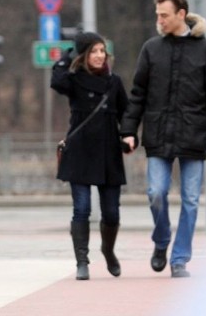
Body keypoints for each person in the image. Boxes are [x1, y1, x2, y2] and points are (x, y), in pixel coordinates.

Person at [120, 0, 206, 278]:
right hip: (158, 135)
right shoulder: (151, 49)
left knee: (190, 199)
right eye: (157, 15)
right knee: (155, 193)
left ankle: (180, 258)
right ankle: (161, 241)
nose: (159, 20)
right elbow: (138, 95)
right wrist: (128, 131)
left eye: (164, 15)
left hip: (193, 135)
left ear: (181, 15)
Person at [52, 32, 130, 281]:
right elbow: (57, 81)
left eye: (102, 51)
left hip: (108, 153)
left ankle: (108, 250)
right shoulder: (74, 80)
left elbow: (126, 114)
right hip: (80, 152)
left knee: (111, 213)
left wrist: (129, 135)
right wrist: (67, 56)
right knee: (82, 208)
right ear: (84, 55)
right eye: (94, 51)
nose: (99, 56)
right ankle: (82, 261)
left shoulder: (114, 82)